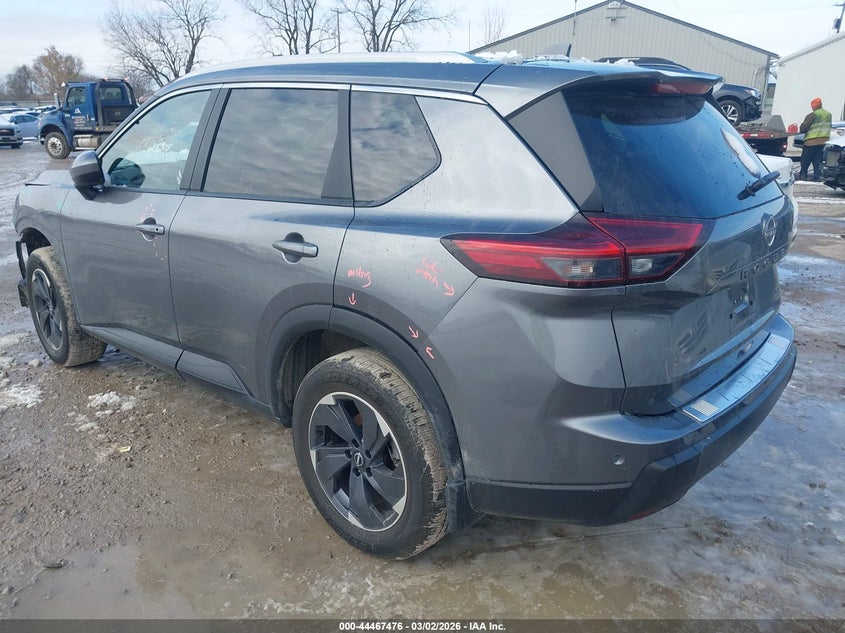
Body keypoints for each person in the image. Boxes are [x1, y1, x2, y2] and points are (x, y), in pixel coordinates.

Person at [798, 97, 832, 181]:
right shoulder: (828, 114)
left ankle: (803, 175)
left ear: (814, 106)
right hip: (823, 140)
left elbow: (804, 128)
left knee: (805, 158)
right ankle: (817, 175)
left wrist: (801, 128)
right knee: (817, 159)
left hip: (811, 140)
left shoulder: (813, 115)